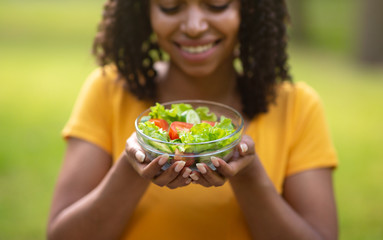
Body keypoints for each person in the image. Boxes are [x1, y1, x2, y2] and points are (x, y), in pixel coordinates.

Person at [47, 0, 338, 239]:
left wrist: (249, 175)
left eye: (217, 4)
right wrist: (131, 168)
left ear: (248, 8)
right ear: (143, 10)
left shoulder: (298, 106)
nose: (195, 27)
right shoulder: (107, 90)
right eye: (170, 7)